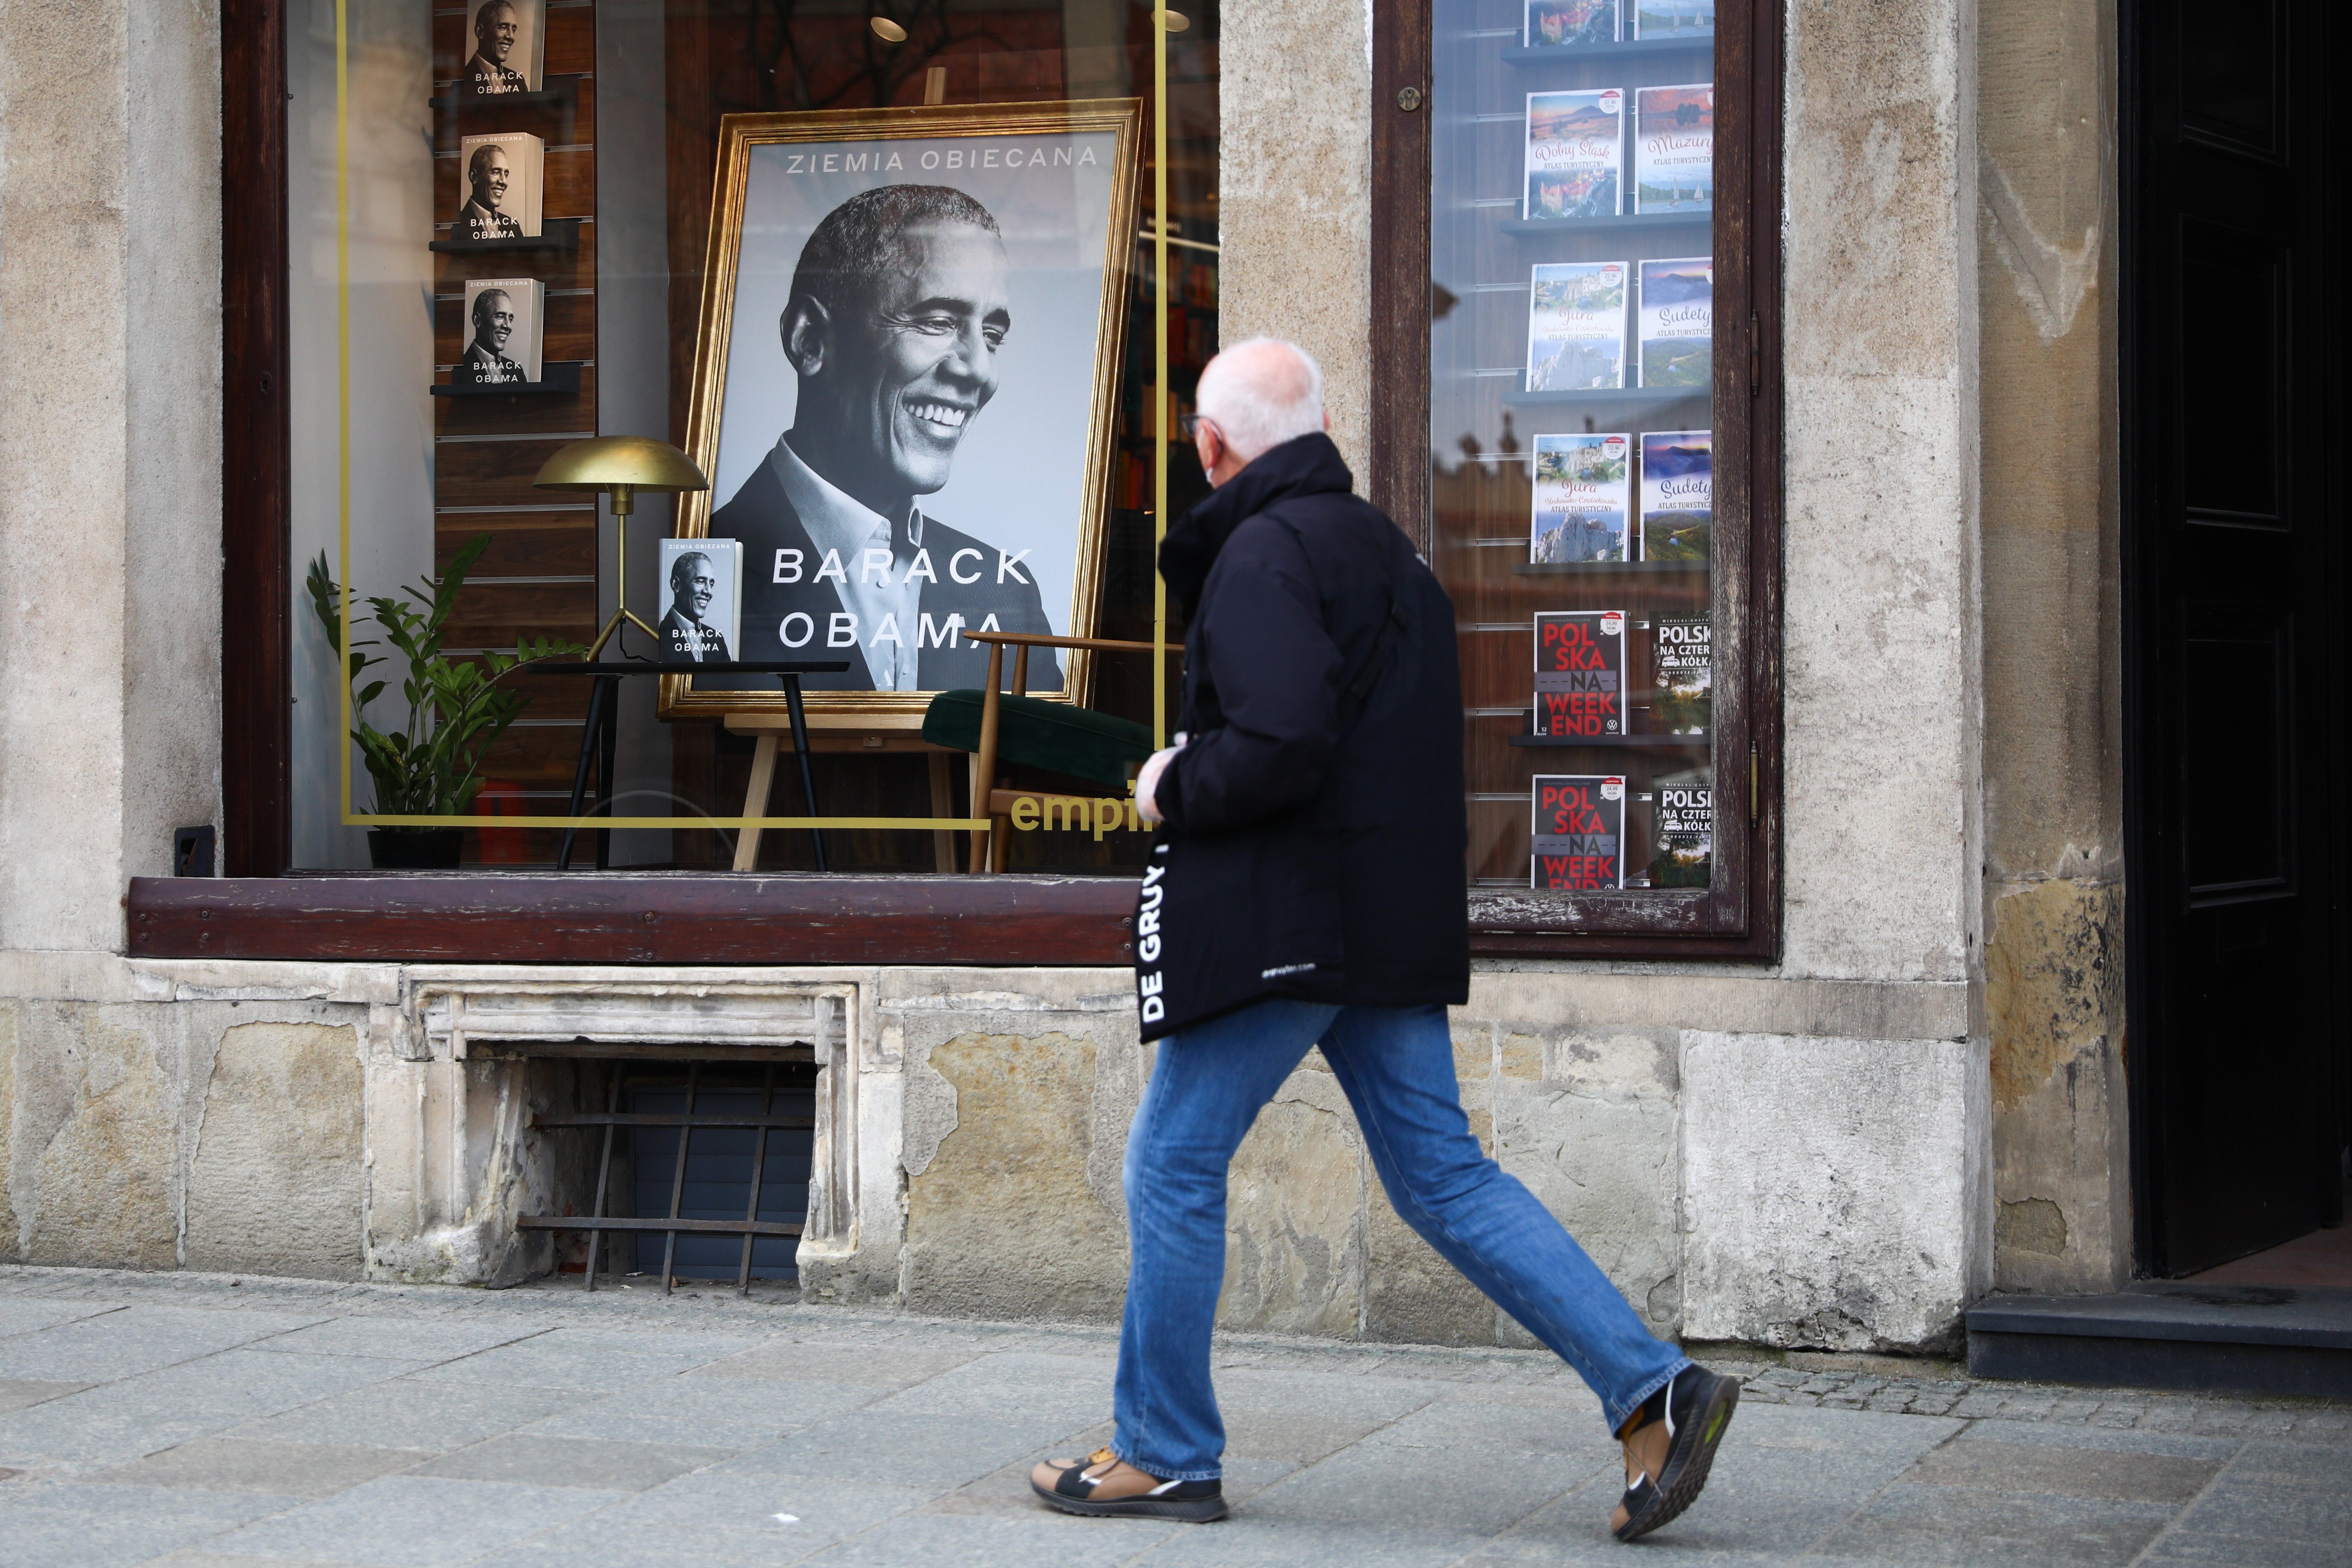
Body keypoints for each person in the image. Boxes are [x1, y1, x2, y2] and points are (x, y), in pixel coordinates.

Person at [1028, 338, 1740, 1542]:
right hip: (1383, 916)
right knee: (1443, 1177)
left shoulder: (1262, 552)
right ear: (1314, 427)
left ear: (1208, 443)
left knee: (1171, 1164)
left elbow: (1279, 743)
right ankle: (1650, 1388)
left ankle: (1163, 1451)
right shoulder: (1389, 552)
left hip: (1291, 922)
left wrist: (1170, 780)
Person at [707, 183, 1057, 692]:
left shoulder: (1006, 592)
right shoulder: (709, 574)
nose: (979, 370)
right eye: (937, 322)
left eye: (991, 336)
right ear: (810, 340)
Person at [660, 550, 731, 663]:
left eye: (711, 584)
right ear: (676, 585)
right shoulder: (658, 633)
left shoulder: (717, 640)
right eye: (700, 581)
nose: (709, 592)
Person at [456, 288, 523, 385]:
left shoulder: (517, 371)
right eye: (500, 317)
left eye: (510, 319)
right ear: (477, 320)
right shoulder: (461, 369)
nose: (508, 326)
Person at [464, 0, 528, 94]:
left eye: (513, 30)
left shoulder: (518, 82)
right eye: (503, 27)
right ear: (480, 32)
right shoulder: (462, 80)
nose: (511, 37)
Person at [461, 144, 522, 240]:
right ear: (474, 177)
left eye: (506, 175)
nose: (504, 182)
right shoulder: (458, 226)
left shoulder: (513, 228)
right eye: (496, 172)